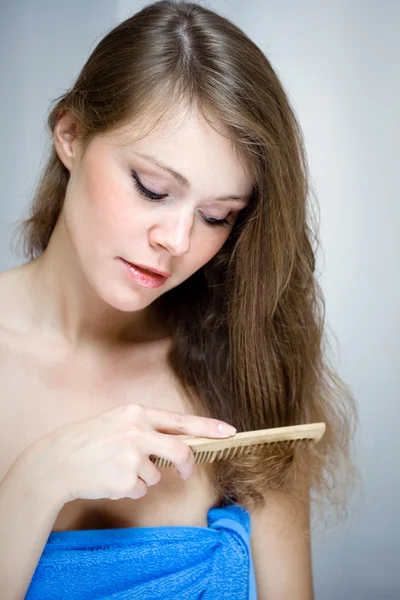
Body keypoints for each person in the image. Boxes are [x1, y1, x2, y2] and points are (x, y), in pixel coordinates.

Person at [0, 1, 359, 598]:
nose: (178, 241)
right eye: (153, 188)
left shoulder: (243, 366)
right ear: (71, 135)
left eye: (217, 216)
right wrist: (34, 484)